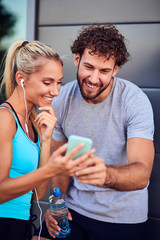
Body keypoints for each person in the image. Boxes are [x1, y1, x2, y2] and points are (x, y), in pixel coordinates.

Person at [33, 24, 154, 240]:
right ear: (77, 59)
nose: (94, 78)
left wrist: (105, 174)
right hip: (74, 212)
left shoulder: (135, 101)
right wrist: (57, 205)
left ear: (115, 69)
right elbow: (62, 167)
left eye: (104, 71)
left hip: (123, 219)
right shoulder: (61, 100)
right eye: (89, 67)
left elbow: (142, 175)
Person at [0, 40, 96, 240]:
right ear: (21, 79)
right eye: (47, 82)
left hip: (21, 226)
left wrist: (46, 140)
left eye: (59, 82)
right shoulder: (4, 119)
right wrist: (50, 169)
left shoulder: (34, 122)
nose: (56, 91)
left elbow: (38, 193)